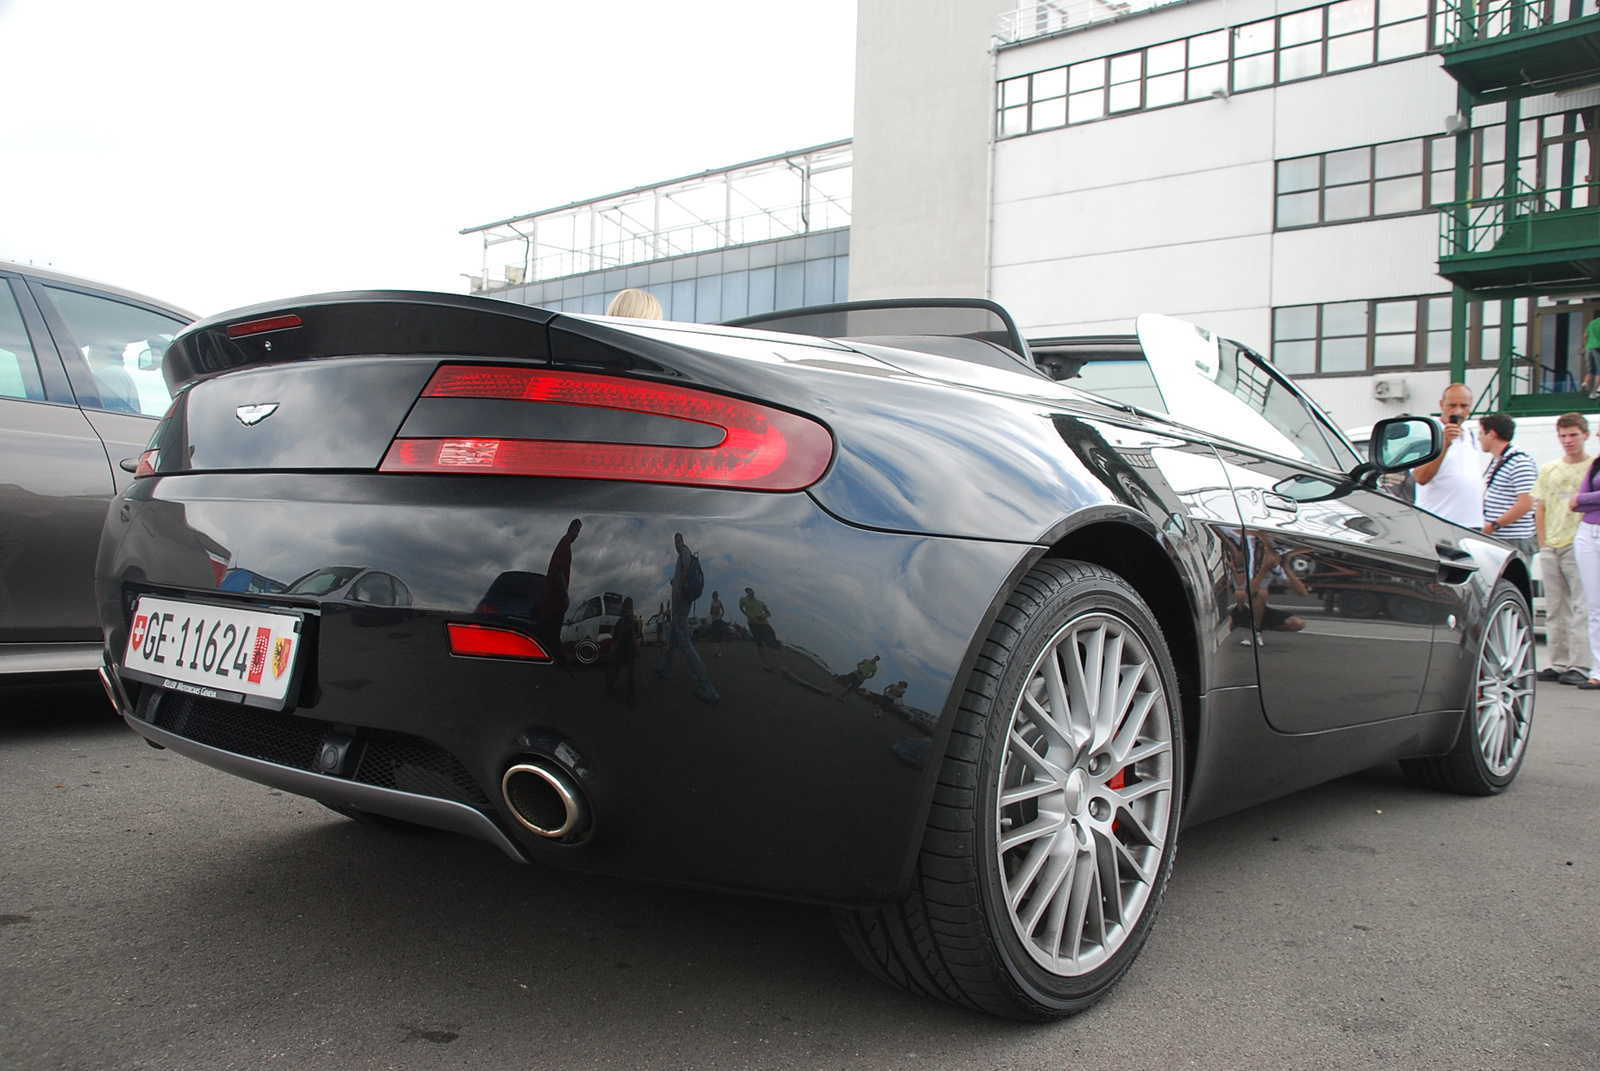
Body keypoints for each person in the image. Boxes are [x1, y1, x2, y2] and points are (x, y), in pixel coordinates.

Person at [1533, 413, 1592, 684]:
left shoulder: (1592, 466)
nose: (1568, 441)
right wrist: (1543, 542)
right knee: (1555, 607)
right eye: (1563, 435)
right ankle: (1557, 661)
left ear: (1585, 436)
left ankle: (1580, 664)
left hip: (1579, 541)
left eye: (1573, 435)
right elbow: (1541, 506)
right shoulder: (1550, 469)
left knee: (1582, 606)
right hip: (1552, 544)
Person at [656, 533, 718, 703]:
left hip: (681, 603)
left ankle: (707, 689)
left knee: (686, 644)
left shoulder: (685, 551)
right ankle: (665, 670)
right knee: (671, 642)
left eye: (678, 540)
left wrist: (680, 589)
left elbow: (687, 564)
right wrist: (675, 584)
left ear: (682, 542)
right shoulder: (681, 555)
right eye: (675, 541)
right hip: (678, 606)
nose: (677, 544)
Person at [1413, 382, 1483, 529]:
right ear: (1441, 405)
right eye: (1452, 405)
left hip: (1472, 523)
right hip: (1439, 522)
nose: (1458, 411)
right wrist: (1444, 444)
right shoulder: (1429, 433)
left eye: (1464, 406)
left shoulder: (1469, 433)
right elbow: (1421, 477)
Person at [1567, 427, 1600, 690]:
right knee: (1594, 606)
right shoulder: (1596, 464)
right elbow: (1575, 502)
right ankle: (1598, 669)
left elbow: (1580, 498)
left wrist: (1583, 499)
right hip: (1588, 532)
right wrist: (1583, 500)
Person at [1478, 413, 1537, 557]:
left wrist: (1494, 526)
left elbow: (1526, 504)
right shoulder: (1499, 460)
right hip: (1500, 537)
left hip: (1514, 538)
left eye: (1481, 433)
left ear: (1491, 434)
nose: (1479, 438)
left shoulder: (1520, 463)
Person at [738, 586, 790, 675]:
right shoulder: (743, 599)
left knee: (772, 643)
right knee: (760, 644)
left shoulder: (760, 602)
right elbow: (741, 608)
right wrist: (748, 615)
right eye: (749, 590)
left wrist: (763, 616)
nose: (751, 592)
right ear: (747, 592)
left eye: (752, 590)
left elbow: (769, 613)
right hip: (753, 624)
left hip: (764, 624)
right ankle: (766, 665)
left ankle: (783, 667)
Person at [606, 596, 643, 706]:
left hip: (628, 656)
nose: (627, 617)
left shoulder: (634, 625)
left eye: (629, 612)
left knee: (631, 655)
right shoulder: (619, 625)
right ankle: (612, 676)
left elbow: (638, 654)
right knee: (610, 682)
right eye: (625, 613)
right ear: (622, 614)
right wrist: (621, 634)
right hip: (617, 656)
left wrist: (631, 631)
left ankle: (631, 688)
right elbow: (612, 652)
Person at [1584, 312, 1600, 398]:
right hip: (1598, 348)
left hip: (1589, 348)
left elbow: (1585, 335)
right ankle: (1593, 393)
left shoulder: (1591, 323)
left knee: (1590, 371)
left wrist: (1586, 345)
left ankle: (1585, 384)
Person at [707, 590, 727, 656]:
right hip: (714, 620)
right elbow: (711, 612)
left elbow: (723, 610)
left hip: (719, 619)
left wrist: (721, 616)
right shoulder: (712, 603)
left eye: (717, 595)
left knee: (719, 634)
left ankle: (717, 650)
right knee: (715, 634)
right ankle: (717, 650)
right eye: (715, 595)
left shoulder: (719, 602)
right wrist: (712, 616)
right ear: (713, 596)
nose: (716, 596)